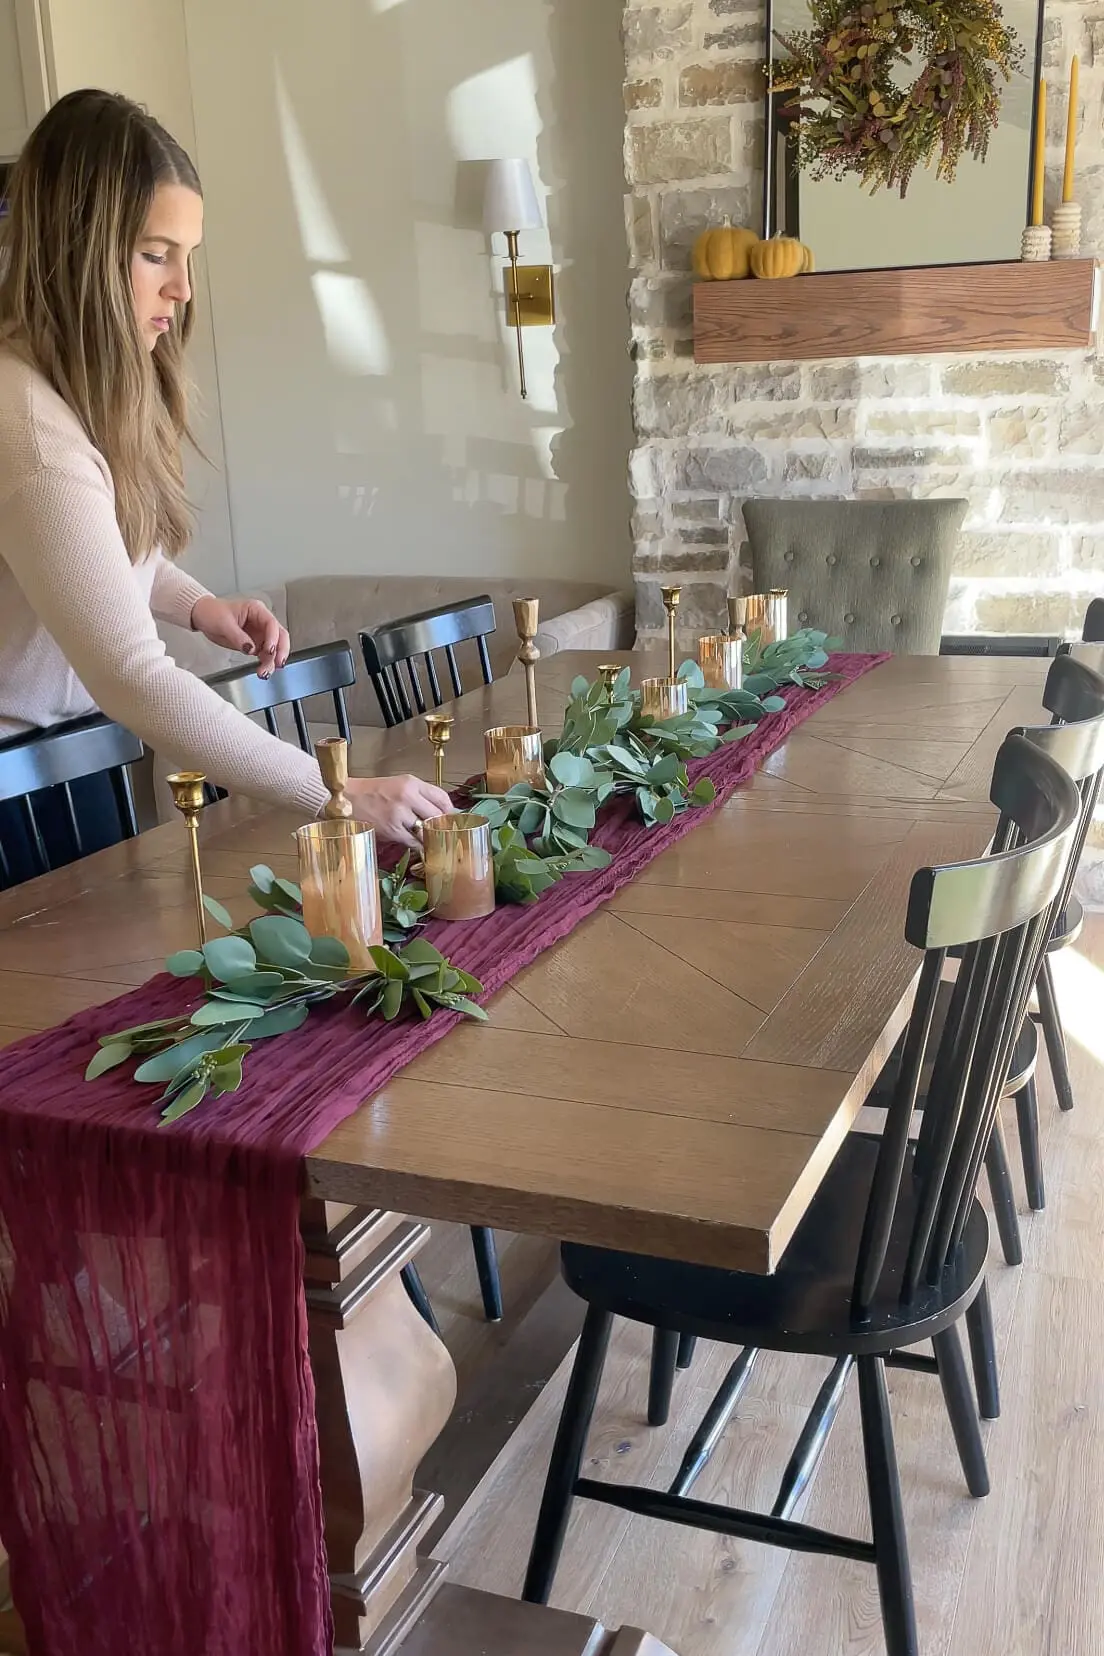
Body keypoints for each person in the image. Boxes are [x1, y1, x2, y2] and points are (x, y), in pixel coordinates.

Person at [0, 88, 450, 883]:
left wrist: (195, 604)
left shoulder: (57, 394)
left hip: (66, 765)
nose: (183, 288)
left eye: (188, 256)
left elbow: (79, 548)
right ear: (75, 249)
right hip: (16, 800)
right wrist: (337, 793)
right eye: (154, 253)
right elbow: (134, 677)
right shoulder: (30, 432)